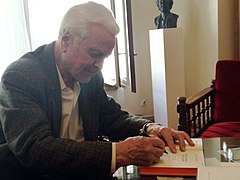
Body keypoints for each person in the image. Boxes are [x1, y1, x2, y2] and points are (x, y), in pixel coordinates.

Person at [0, 1, 194, 179]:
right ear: (66, 39)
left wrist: (150, 128)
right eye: (94, 54)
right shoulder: (21, 76)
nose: (99, 65)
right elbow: (35, 149)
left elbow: (112, 117)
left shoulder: (90, 76)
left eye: (105, 57)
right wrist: (120, 152)